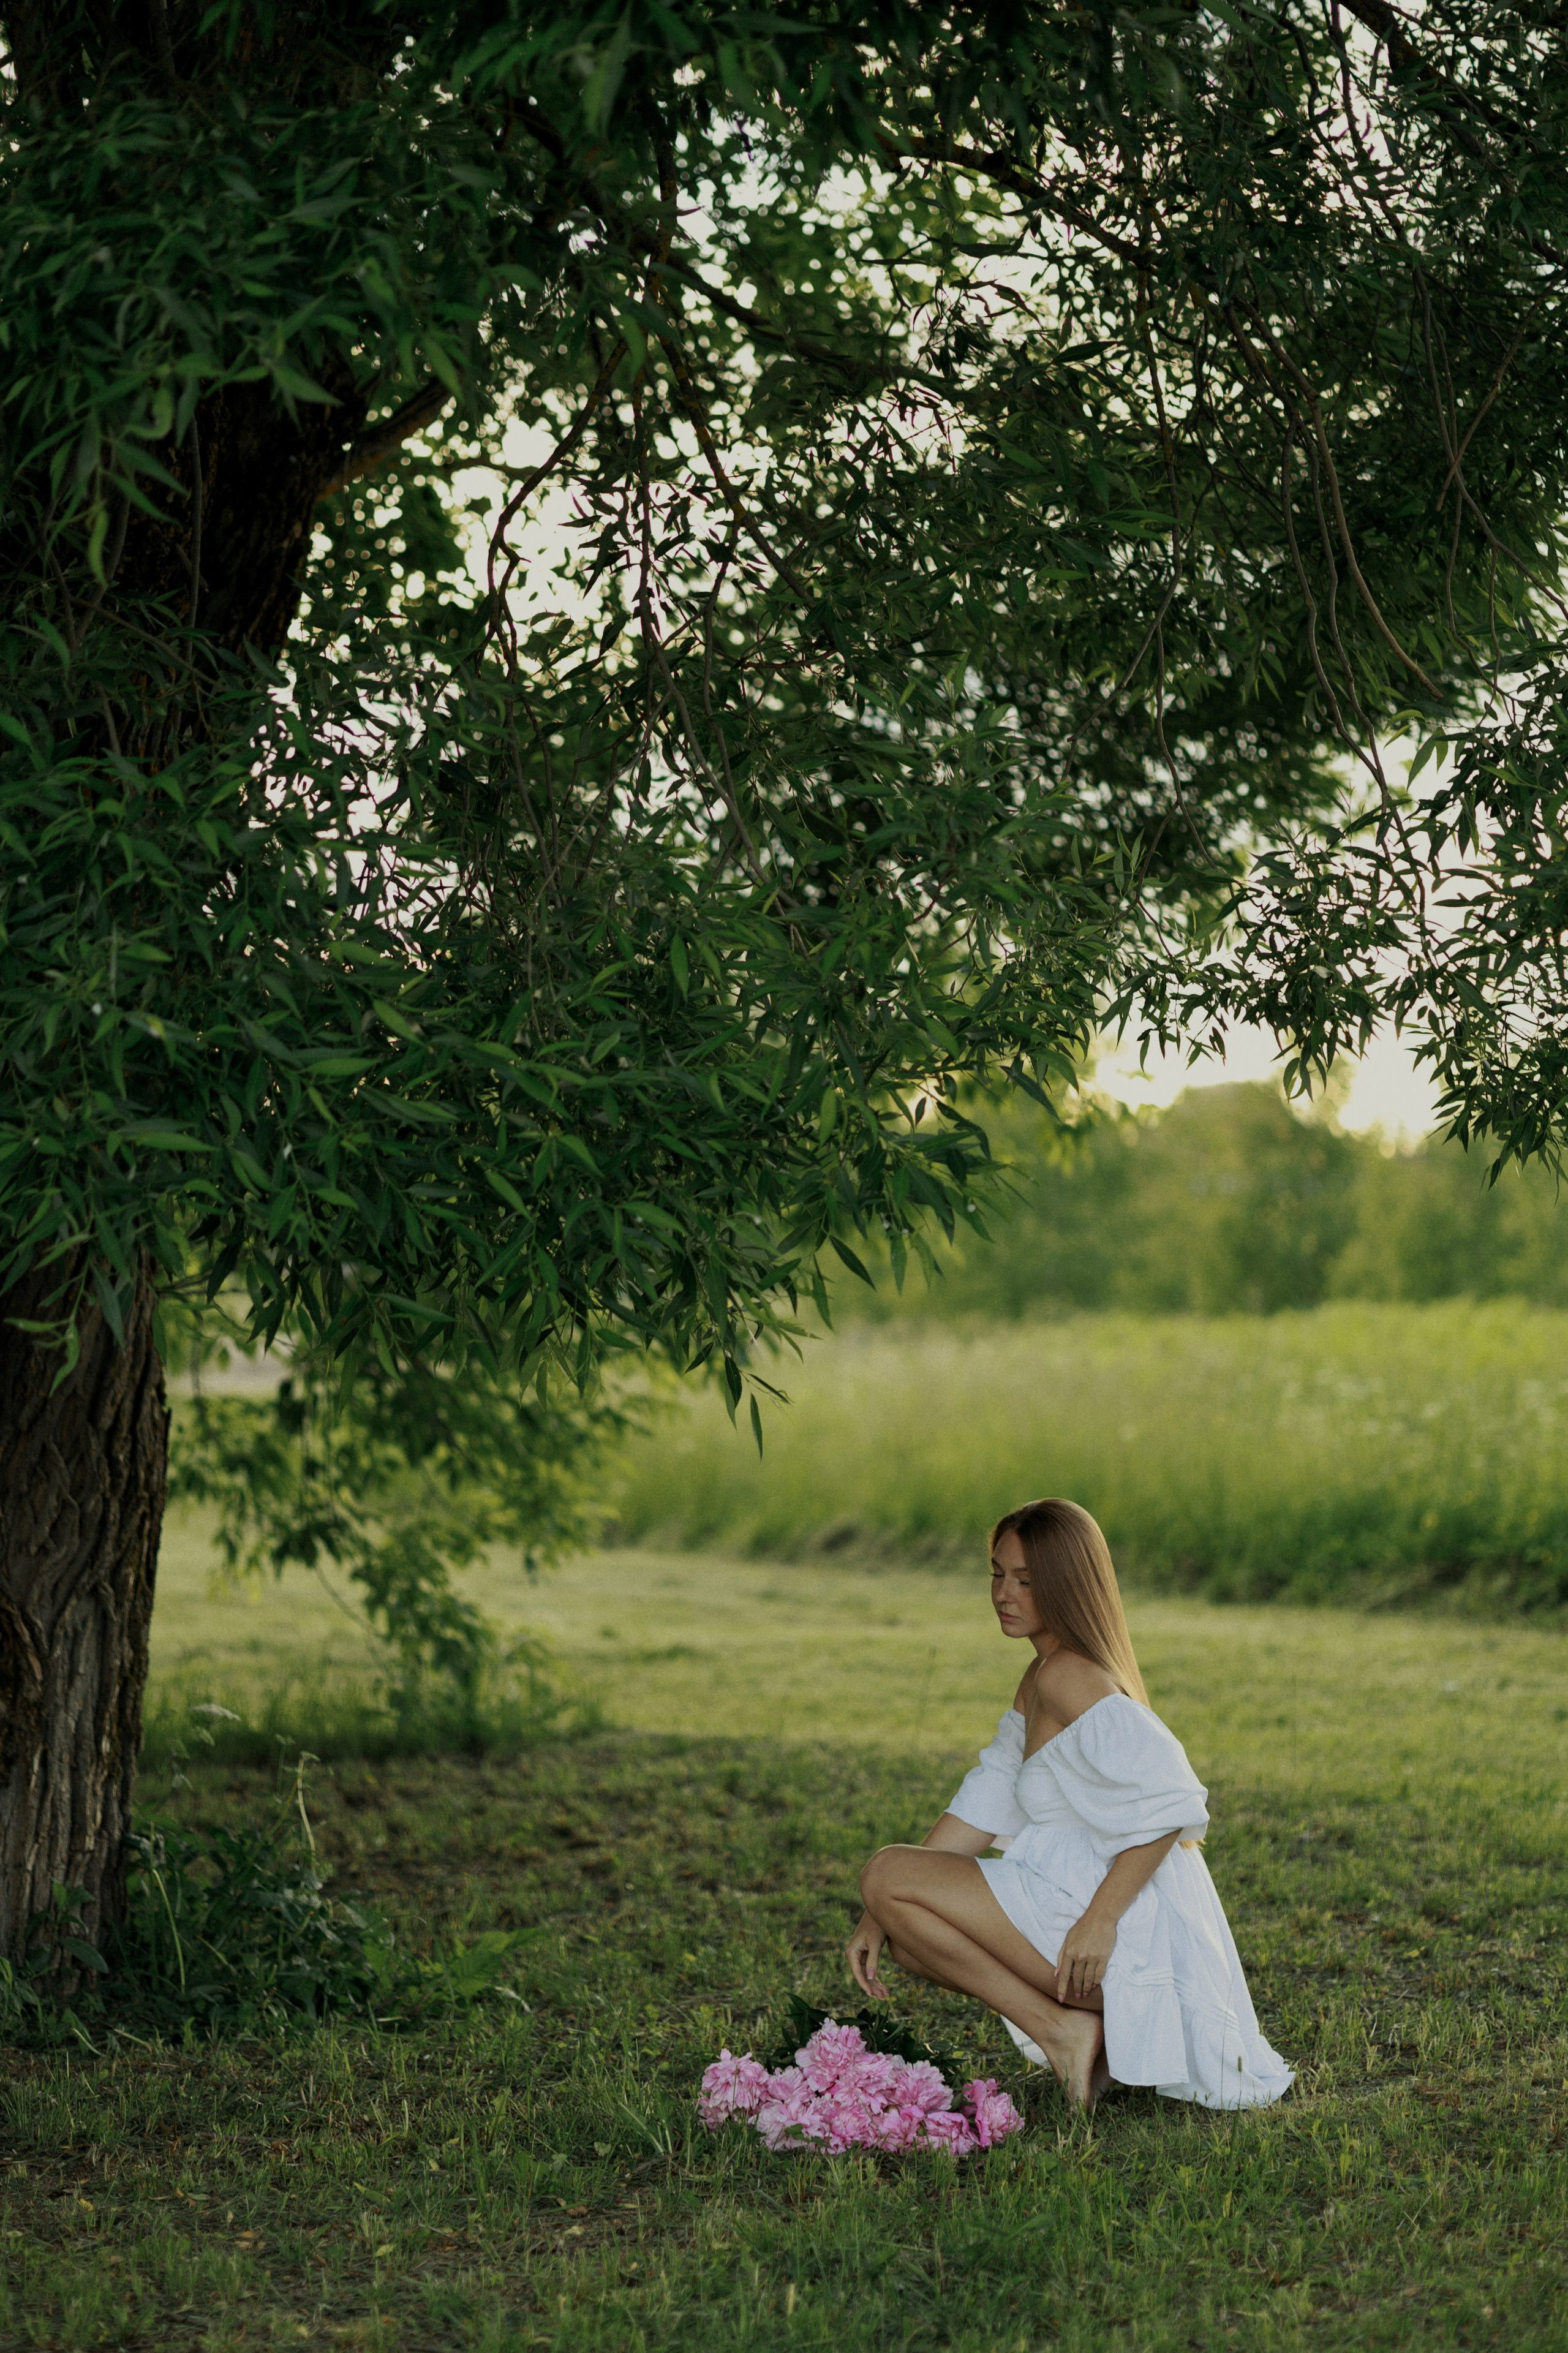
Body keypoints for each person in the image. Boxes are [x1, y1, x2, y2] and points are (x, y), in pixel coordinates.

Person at [846, 1497, 1294, 2111]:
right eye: (997, 1574)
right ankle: (1067, 2031)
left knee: (886, 1870)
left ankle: (1065, 2031)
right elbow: (987, 1798)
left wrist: (1099, 1921)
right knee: (907, 1933)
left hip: (1116, 1932)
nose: (1003, 1593)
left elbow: (1173, 1798)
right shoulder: (1041, 1675)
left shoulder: (1071, 1677)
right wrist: (881, 1909)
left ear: (1064, 1585)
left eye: (1025, 1580)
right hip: (1062, 1897)